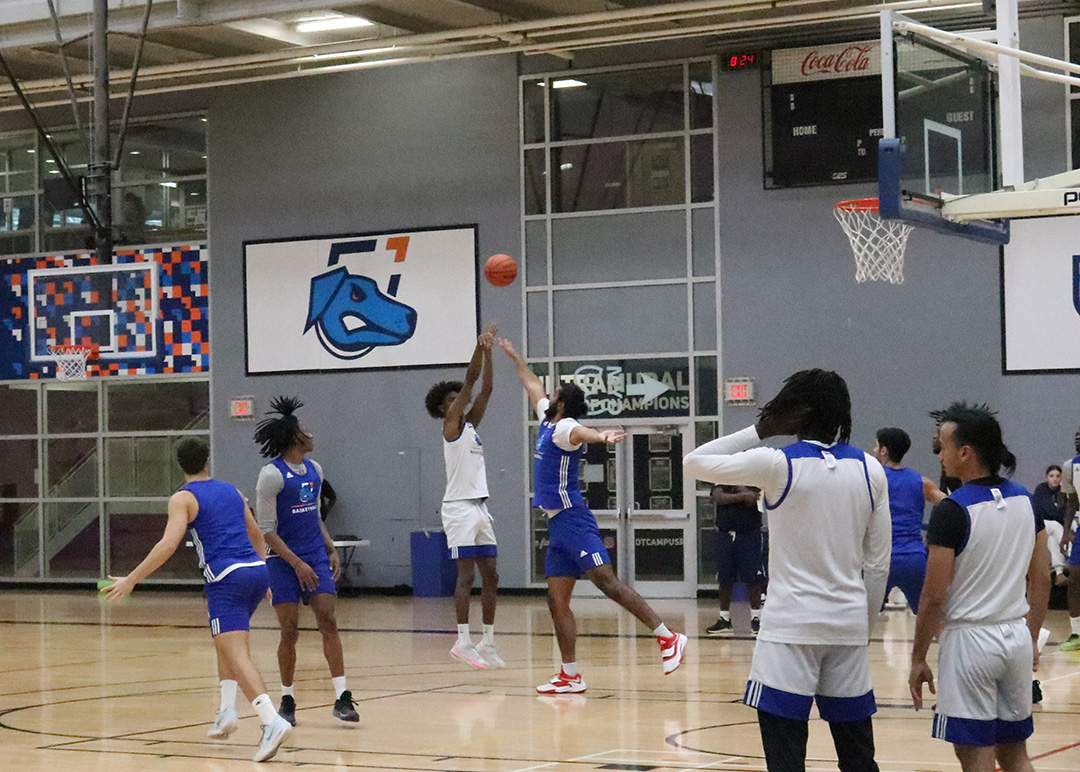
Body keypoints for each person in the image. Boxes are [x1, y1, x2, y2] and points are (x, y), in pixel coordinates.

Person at [683, 369, 891, 772]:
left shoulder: (776, 463)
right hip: (847, 627)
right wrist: (861, 626)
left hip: (789, 630)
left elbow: (694, 461)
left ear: (799, 411)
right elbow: (878, 563)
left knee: (785, 758)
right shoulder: (871, 469)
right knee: (858, 756)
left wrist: (760, 429)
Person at [500, 339, 687, 693]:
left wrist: (601, 436)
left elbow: (584, 433)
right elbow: (531, 383)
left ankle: (668, 637)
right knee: (556, 601)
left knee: (606, 581)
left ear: (564, 403)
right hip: (557, 524)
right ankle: (570, 674)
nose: (549, 394)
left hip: (574, 518)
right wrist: (515, 357)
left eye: (555, 393)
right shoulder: (545, 419)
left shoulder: (565, 427)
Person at [102, 438, 292, 762]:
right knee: (226, 645)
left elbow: (168, 544)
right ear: (207, 460)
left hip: (225, 578)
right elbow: (257, 533)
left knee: (237, 653)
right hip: (255, 571)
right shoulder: (231, 491)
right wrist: (262, 570)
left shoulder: (182, 498)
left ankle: (271, 721)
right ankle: (227, 711)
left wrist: (132, 578)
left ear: (180, 464)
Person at [909, 403, 1050, 772]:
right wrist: (1031, 637)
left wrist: (918, 657)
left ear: (965, 453)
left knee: (975, 756)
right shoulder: (1025, 499)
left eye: (942, 446)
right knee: (1015, 753)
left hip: (971, 643)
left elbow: (934, 596)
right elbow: (1042, 578)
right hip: (1016, 638)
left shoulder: (952, 511)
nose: (939, 454)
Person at [253, 396, 358, 725]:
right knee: (289, 630)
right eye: (305, 431)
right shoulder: (271, 475)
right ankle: (287, 699)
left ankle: (342, 698)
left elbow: (314, 515)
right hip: (283, 561)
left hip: (314, 554)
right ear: (294, 438)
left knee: (328, 620)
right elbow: (267, 531)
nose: (311, 435)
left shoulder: (315, 470)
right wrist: (297, 563)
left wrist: (330, 547)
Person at [425, 323, 503, 669]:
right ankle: (461, 641)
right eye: (452, 400)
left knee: (492, 575)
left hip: (480, 507)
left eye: (458, 398)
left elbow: (484, 388)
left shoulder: (471, 426)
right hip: (458, 508)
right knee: (465, 576)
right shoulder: (451, 427)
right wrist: (477, 347)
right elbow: (471, 383)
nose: (459, 400)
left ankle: (486, 641)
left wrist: (489, 353)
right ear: (444, 410)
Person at [871, 427, 946, 613]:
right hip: (914, 558)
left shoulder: (871, 480)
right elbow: (952, 507)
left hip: (881, 559)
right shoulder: (922, 482)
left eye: (876, 445)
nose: (873, 450)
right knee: (933, 620)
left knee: (863, 622)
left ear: (883, 450)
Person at [705, 484, 765, 636]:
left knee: (752, 577)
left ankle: (756, 618)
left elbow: (752, 499)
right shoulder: (722, 477)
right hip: (725, 534)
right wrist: (742, 496)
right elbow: (719, 498)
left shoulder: (754, 477)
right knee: (725, 577)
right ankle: (724, 619)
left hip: (749, 534)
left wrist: (739, 489)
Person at [1059, 427, 1080, 651]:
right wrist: (1066, 531)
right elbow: (1072, 501)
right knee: (1074, 577)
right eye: (1075, 435)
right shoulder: (1070, 467)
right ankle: (1076, 633)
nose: (1077, 437)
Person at [1032, 465, 1068, 586]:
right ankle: (1071, 553)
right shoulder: (1041, 489)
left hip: (1058, 527)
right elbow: (1049, 511)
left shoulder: (1064, 491)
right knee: (1055, 526)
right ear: (1047, 477)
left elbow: (1068, 511)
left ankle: (1059, 573)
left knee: (1052, 541)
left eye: (1058, 476)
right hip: (1042, 524)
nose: (1055, 479)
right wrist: (1059, 514)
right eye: (1051, 476)